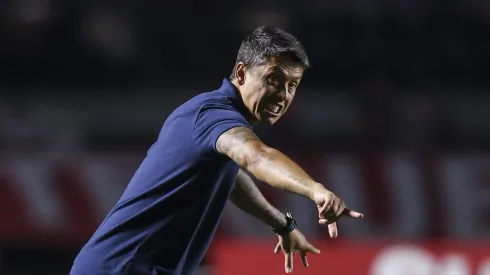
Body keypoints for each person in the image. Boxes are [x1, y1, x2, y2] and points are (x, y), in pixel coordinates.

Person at [70, 26, 363, 275]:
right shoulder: (213, 116)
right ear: (241, 72)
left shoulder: (216, 125)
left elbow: (232, 181)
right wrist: (315, 190)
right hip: (121, 268)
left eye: (292, 85)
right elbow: (257, 157)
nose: (283, 94)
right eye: (274, 79)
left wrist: (282, 224)